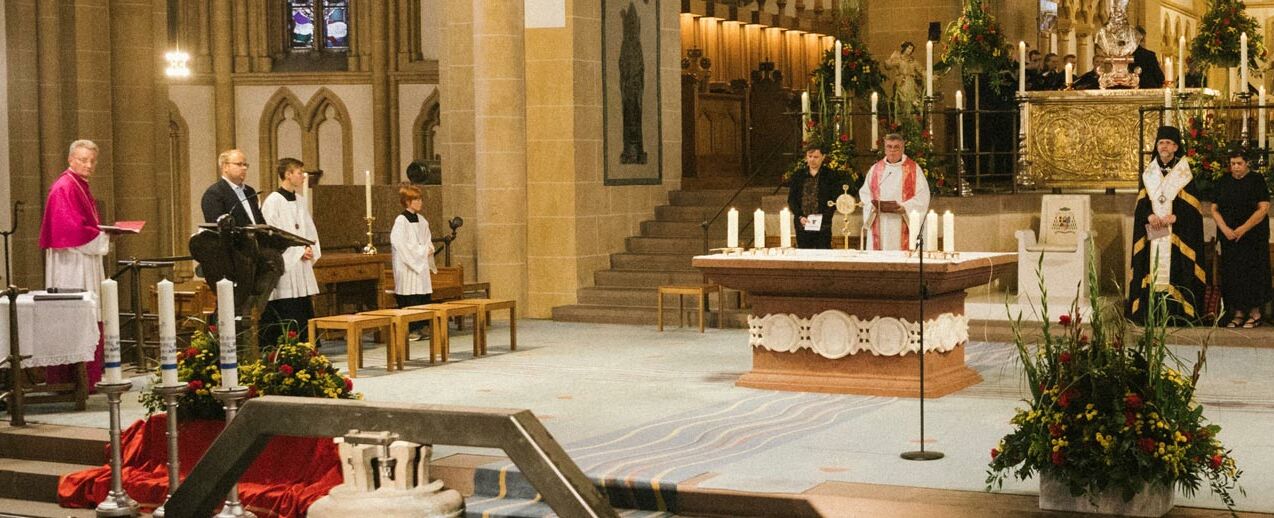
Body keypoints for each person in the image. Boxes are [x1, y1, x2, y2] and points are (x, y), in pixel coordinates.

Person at [38, 139, 110, 386]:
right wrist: (104, 235)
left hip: (83, 260)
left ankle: (87, 378)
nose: (88, 165)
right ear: (71, 160)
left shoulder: (79, 185)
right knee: (74, 316)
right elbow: (72, 231)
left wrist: (103, 233)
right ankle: (73, 380)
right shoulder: (64, 187)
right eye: (83, 160)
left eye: (92, 161)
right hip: (72, 265)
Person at [1127, 125, 1205, 324]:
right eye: (1161, 142)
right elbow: (1141, 203)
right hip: (1153, 229)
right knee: (1150, 267)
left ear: (1176, 147)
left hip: (1177, 233)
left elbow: (1194, 207)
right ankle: (1149, 314)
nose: (1164, 146)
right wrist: (1150, 216)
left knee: (1175, 270)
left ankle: (1177, 314)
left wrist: (1176, 217)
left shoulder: (1184, 173)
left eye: (1169, 143)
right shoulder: (1149, 173)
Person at [259, 158, 322, 347]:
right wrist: (297, 252)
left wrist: (310, 248)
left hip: (301, 263)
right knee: (287, 306)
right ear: (287, 174)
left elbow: (310, 231)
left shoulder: (300, 201)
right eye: (299, 172)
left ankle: (305, 344)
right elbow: (271, 235)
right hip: (286, 265)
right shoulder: (273, 201)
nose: (303, 176)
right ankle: (286, 346)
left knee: (302, 304)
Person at [1209, 151, 1270, 327]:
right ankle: (1238, 312)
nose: (1235, 166)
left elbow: (1264, 207)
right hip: (1230, 237)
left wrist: (1244, 228)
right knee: (1233, 274)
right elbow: (1214, 208)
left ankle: (1255, 313)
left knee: (1253, 273)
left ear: (1246, 164)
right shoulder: (1223, 181)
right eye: (1233, 163)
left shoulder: (1256, 180)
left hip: (1253, 237)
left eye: (1239, 163)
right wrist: (1225, 229)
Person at [859, 133, 931, 251]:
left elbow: (923, 197)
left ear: (902, 148)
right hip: (881, 222)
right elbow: (865, 194)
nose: (892, 150)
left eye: (896, 147)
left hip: (902, 220)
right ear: (885, 148)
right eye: (889, 147)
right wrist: (872, 207)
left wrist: (905, 208)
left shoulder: (913, 169)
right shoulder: (875, 169)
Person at [391, 184, 437, 339]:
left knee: (422, 296)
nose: (420, 202)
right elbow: (400, 244)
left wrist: (429, 248)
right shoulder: (401, 221)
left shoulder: (422, 220)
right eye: (416, 199)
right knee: (411, 296)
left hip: (421, 266)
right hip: (408, 267)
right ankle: (411, 330)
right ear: (407, 201)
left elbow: (427, 239)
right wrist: (421, 251)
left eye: (420, 199)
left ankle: (423, 326)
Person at [787, 144, 841, 249]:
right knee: (804, 255)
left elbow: (834, 200)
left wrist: (823, 217)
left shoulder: (830, 175)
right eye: (810, 156)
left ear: (823, 157)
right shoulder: (798, 175)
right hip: (802, 224)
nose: (812, 160)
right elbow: (792, 199)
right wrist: (800, 216)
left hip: (823, 225)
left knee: (823, 255)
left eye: (816, 157)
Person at [201, 149, 265, 225]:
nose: (244, 168)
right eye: (239, 164)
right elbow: (217, 228)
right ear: (225, 167)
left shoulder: (250, 191)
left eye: (245, 165)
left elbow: (260, 221)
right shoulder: (214, 194)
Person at [884, 42, 922, 119]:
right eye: (908, 48)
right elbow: (888, 66)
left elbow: (921, 70)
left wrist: (931, 76)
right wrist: (892, 58)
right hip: (901, 83)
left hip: (911, 84)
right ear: (905, 48)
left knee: (912, 103)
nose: (909, 50)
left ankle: (911, 120)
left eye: (911, 49)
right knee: (902, 103)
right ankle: (902, 120)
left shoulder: (913, 61)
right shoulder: (899, 59)